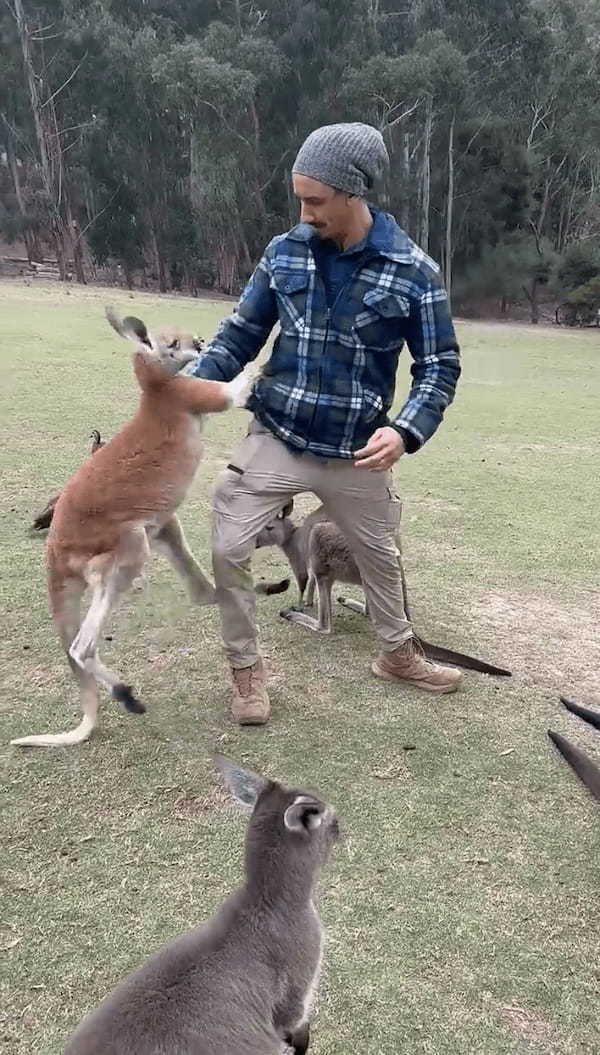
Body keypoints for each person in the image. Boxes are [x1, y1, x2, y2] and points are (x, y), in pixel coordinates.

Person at [192, 122, 463, 725]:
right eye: (299, 198)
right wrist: (195, 385)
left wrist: (405, 430)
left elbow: (439, 364)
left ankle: (397, 655)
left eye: (315, 200)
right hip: (279, 434)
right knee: (228, 543)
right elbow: (242, 332)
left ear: (354, 192)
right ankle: (246, 674)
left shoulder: (413, 269)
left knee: (380, 557)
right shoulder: (282, 251)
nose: (304, 212)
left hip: (356, 449)